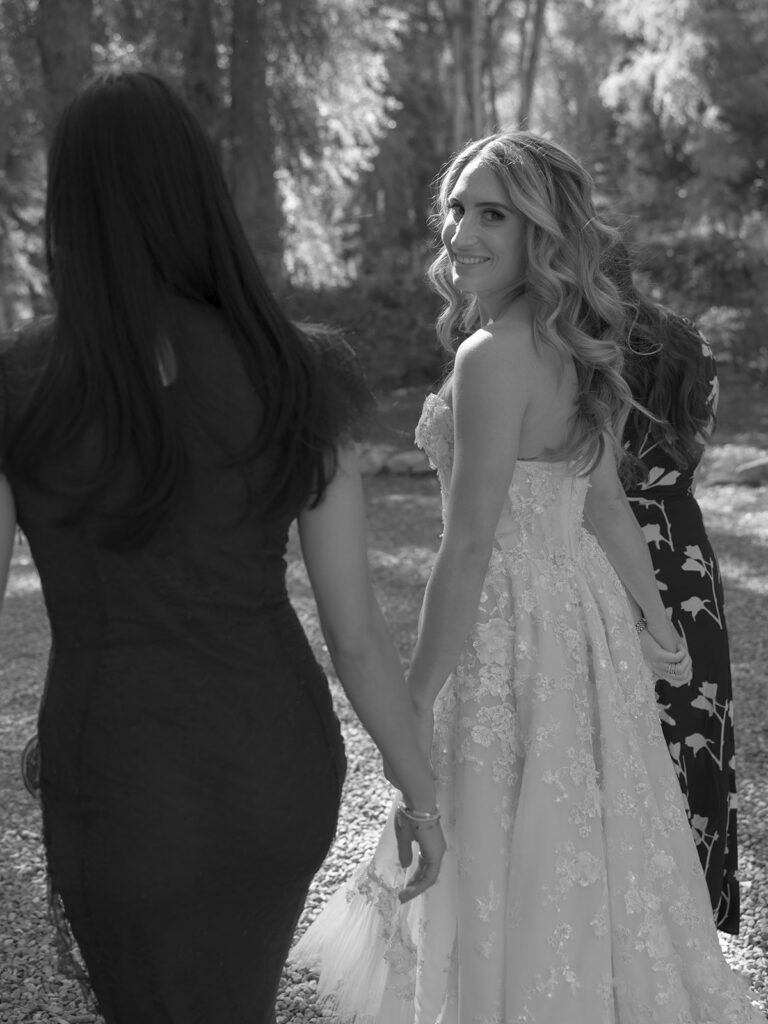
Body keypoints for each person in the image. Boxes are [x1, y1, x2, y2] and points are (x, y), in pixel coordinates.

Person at [290, 131, 765, 1023]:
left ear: (543, 233)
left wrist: (415, 697)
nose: (462, 233)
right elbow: (603, 505)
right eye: (457, 211)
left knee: (513, 821)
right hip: (583, 619)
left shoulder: (491, 356)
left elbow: (469, 547)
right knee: (587, 821)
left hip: (510, 618)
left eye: (493, 215)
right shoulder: (569, 344)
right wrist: (656, 628)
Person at [0, 70, 445, 1024]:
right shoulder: (296, 372)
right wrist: (421, 791)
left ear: (69, 208)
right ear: (199, 193)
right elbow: (356, 629)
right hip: (275, 762)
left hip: (115, 765)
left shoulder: (20, 382)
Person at [607, 245, 739, 933]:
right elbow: (700, 442)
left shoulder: (577, 350)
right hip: (682, 542)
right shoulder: (695, 344)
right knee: (692, 721)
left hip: (602, 540)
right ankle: (690, 911)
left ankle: (629, 921)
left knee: (622, 729)